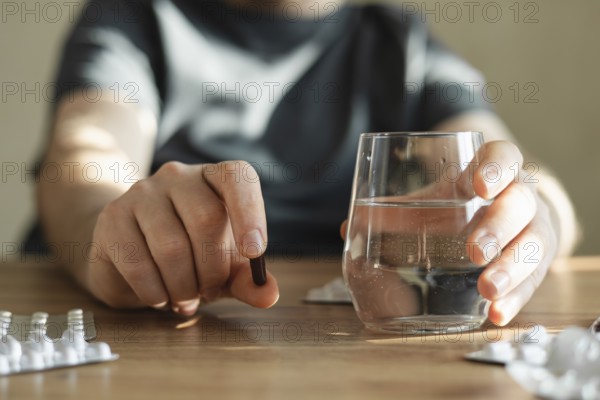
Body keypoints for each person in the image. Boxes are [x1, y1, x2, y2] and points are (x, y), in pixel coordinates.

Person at [36, 0, 579, 325]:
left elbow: (509, 163)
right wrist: (111, 239)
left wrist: (536, 213)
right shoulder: (135, 18)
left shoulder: (401, 42)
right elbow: (84, 162)